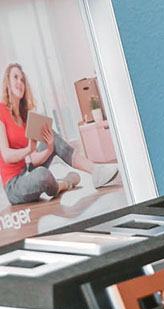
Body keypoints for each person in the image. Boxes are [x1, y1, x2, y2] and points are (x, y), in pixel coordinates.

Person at [1, 63, 119, 204]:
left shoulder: (24, 117)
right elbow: (6, 156)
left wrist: (50, 148)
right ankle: (63, 184)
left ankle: (95, 171)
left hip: (28, 170)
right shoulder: (1, 110)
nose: (20, 82)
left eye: (22, 80)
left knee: (50, 135)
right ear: (7, 82)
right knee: (43, 175)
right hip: (14, 185)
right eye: (15, 77)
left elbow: (32, 159)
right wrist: (28, 149)